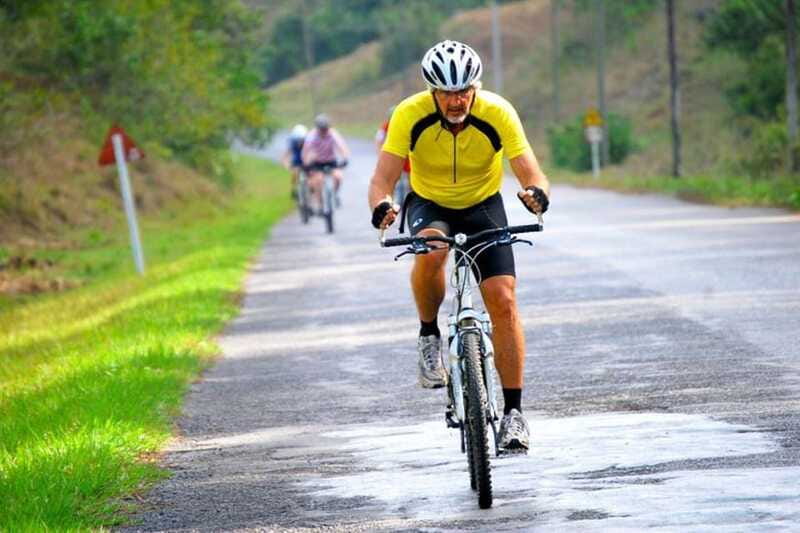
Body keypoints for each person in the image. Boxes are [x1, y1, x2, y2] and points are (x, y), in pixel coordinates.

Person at [367, 40, 550, 453]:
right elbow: (381, 179)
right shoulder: (408, 115)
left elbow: (531, 172)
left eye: (465, 90)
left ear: (476, 87)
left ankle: (514, 415)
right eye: (448, 92)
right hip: (429, 202)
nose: (457, 100)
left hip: (483, 205)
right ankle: (429, 336)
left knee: (502, 298)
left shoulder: (498, 112)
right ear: (432, 91)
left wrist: (537, 193)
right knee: (432, 250)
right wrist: (381, 205)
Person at [302, 114, 350, 208]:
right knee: (317, 181)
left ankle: (334, 194)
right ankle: (320, 203)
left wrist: (345, 158)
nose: (324, 131)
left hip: (331, 161)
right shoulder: (312, 135)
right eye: (322, 129)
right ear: (317, 128)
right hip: (318, 162)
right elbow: (306, 150)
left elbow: (341, 146)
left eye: (325, 129)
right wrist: (306, 163)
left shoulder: (332, 133)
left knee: (338, 177)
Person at [375, 106, 411, 204]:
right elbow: (379, 140)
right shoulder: (385, 126)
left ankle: (410, 197)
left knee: (410, 180)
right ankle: (391, 198)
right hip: (392, 156)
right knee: (393, 178)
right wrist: (381, 155)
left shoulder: (406, 124)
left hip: (406, 156)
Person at [282, 124, 308, 199]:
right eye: (298, 140)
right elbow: (286, 154)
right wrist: (286, 164)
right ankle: (294, 189)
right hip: (297, 161)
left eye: (302, 140)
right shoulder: (293, 143)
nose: (300, 142)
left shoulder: (308, 143)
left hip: (306, 161)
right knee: (295, 173)